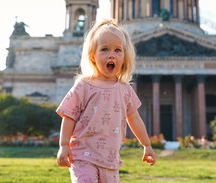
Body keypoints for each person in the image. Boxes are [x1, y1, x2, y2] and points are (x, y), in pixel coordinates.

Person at [56, 19, 156, 182]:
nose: (111, 54)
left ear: (124, 57)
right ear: (93, 57)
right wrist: (64, 145)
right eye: (104, 49)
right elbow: (69, 116)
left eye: (118, 50)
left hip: (110, 160)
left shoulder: (125, 89)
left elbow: (135, 119)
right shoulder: (84, 85)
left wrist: (147, 145)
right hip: (83, 156)